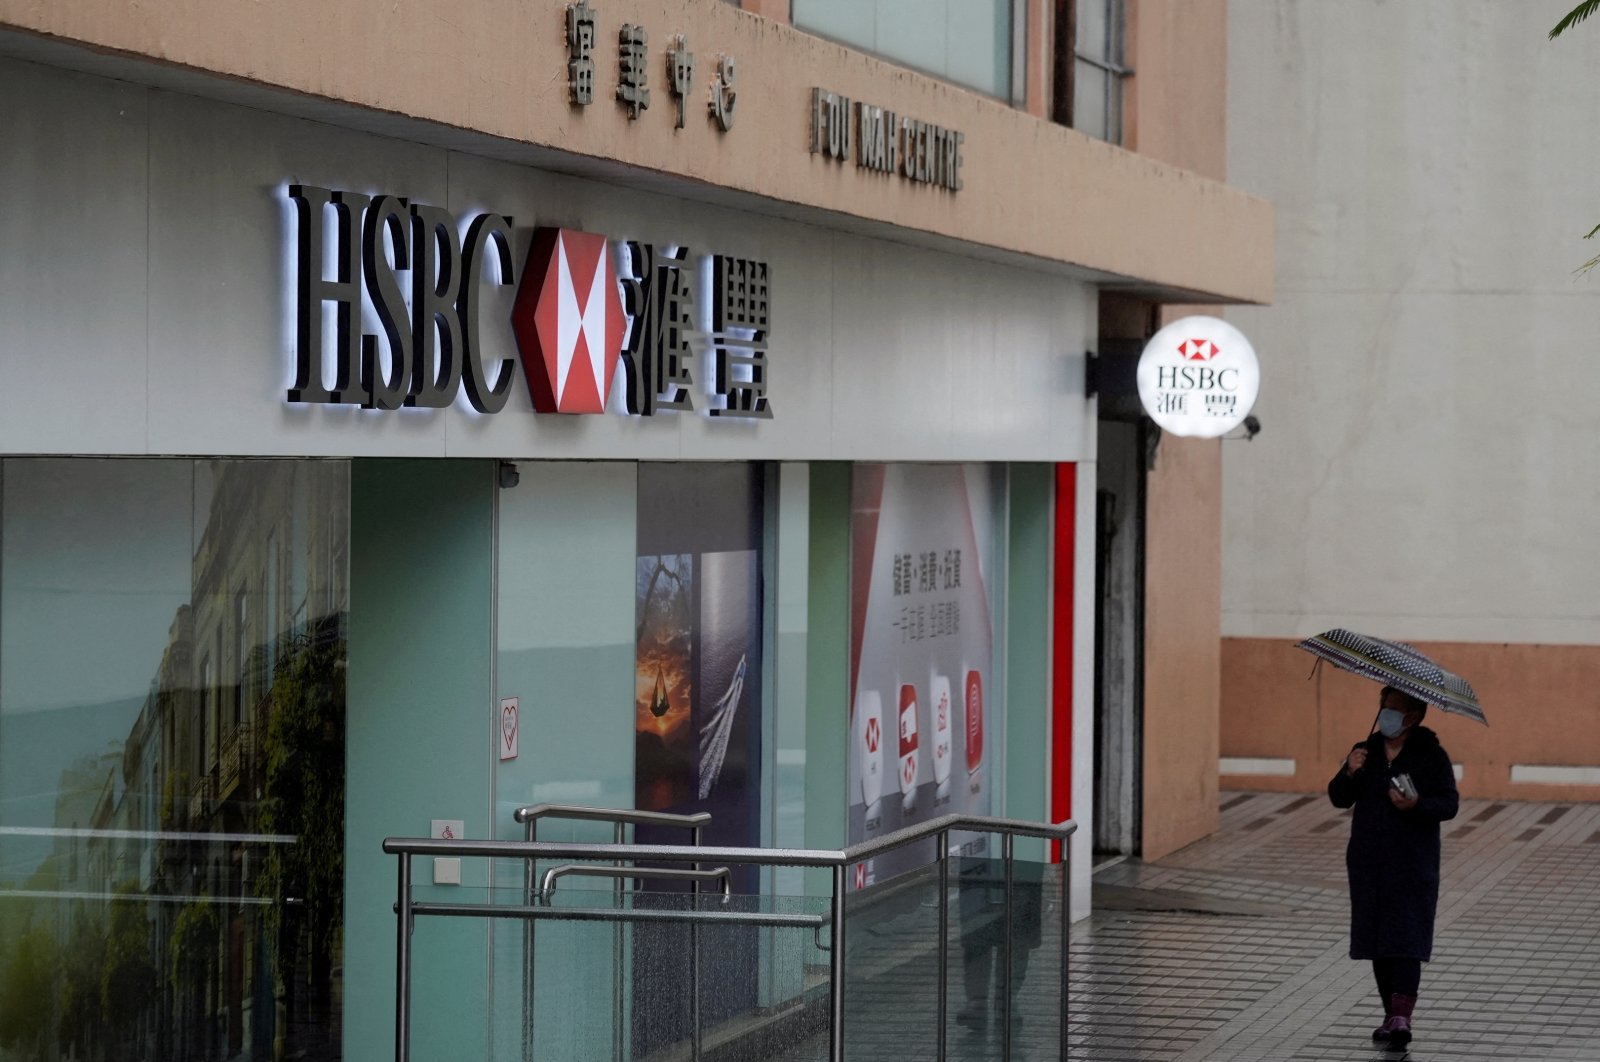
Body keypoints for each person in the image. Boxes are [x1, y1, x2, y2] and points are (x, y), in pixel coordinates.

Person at [1328, 686, 1459, 1049]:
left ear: (1414, 716)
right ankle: (1390, 1014)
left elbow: (1449, 804)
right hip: (1368, 862)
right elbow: (1339, 798)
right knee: (1380, 942)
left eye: (1396, 709)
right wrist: (1349, 772)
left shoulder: (1431, 755)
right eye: (1385, 707)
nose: (1387, 714)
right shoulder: (1365, 751)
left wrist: (1415, 805)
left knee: (1405, 939)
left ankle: (1402, 1016)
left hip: (1412, 863)